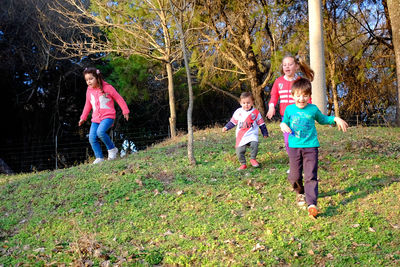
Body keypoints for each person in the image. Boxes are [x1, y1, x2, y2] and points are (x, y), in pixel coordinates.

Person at [280, 78, 348, 218]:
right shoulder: (289, 109)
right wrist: (282, 125)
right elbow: (284, 122)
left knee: (311, 175)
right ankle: (300, 192)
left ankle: (312, 204)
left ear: (309, 96)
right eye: (298, 95)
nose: (301, 99)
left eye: (305, 95)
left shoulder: (313, 109)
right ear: (293, 96)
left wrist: (335, 119)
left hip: (311, 147)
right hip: (294, 147)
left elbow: (323, 119)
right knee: (294, 176)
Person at [79, 67, 130, 164]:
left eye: (91, 79)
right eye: (86, 80)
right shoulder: (89, 91)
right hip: (95, 119)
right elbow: (87, 105)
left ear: (97, 78)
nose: (88, 82)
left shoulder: (107, 88)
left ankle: (112, 149)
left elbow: (118, 98)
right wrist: (83, 117)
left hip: (108, 116)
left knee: (100, 132)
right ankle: (99, 157)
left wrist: (125, 110)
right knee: (92, 137)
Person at [266, 55, 314, 154]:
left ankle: (303, 157)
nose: (287, 67)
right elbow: (274, 96)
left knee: (301, 138)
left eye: (290, 64)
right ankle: (294, 160)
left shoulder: (300, 81)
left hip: (300, 115)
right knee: (288, 140)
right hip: (286, 116)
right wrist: (271, 107)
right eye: (284, 65)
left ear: (296, 66)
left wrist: (310, 111)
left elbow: (308, 97)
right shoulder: (278, 81)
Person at [222, 92, 269, 170]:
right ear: (240, 103)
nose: (246, 105)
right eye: (244, 103)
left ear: (252, 102)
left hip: (252, 134)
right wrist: (226, 127)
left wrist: (265, 133)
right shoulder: (238, 112)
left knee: (254, 144)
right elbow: (232, 122)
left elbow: (261, 124)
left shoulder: (256, 112)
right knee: (239, 151)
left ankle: (253, 159)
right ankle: (243, 164)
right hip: (241, 135)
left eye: (248, 103)